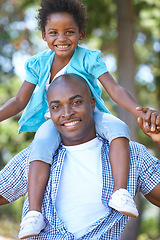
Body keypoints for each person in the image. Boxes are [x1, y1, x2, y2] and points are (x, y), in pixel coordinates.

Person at [0, 0, 159, 238]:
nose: (61, 38)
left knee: (119, 127)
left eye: (69, 32)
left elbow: (114, 90)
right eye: (53, 32)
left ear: (81, 34)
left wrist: (141, 112)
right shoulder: (39, 64)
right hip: (47, 128)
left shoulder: (132, 154)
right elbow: (19, 101)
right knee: (41, 143)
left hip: (100, 118)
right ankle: (34, 213)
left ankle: (120, 191)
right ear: (44, 35)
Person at [1, 74, 160, 239]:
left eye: (76, 102)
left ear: (92, 103)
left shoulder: (131, 154)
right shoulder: (36, 158)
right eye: (57, 107)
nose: (67, 113)